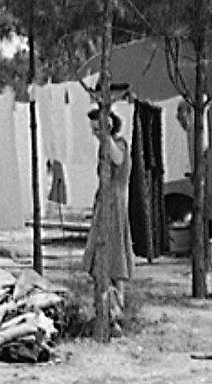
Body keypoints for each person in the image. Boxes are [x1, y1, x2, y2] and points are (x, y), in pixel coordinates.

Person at [82, 107, 133, 330]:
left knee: (115, 251)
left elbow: (119, 160)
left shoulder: (119, 144)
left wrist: (106, 136)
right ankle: (105, 302)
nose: (95, 133)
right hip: (104, 201)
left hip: (115, 203)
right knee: (101, 252)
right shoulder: (104, 146)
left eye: (98, 128)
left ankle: (117, 304)